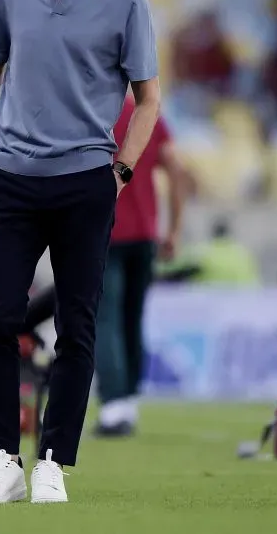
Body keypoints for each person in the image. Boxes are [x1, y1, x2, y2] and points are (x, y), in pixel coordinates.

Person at [0, 0, 160, 504]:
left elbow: (148, 99)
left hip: (85, 183)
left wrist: (121, 171)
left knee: (76, 328)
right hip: (11, 182)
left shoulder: (127, 1)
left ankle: (53, 461)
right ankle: (3, 459)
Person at [94, 93, 187, 437]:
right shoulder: (145, 114)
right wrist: (174, 228)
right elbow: (176, 169)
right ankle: (129, 398)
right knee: (132, 318)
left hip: (103, 232)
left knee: (105, 319)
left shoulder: (88, 114)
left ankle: (115, 403)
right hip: (145, 235)